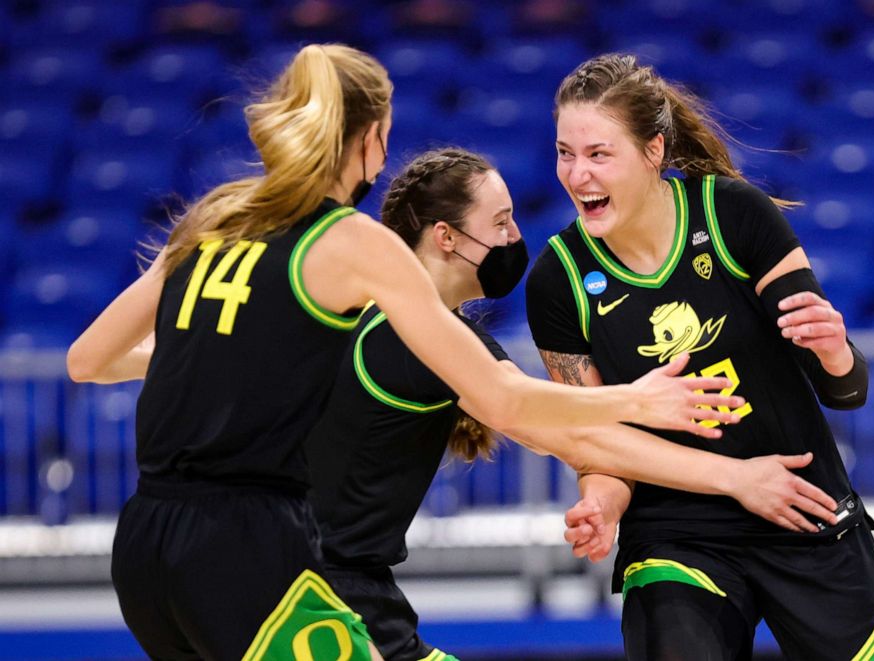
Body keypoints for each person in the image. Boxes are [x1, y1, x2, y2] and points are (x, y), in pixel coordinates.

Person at [65, 44, 747, 661]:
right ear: (373, 140)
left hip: (146, 545)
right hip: (250, 548)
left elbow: (88, 360)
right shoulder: (352, 246)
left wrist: (222, 360)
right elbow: (507, 401)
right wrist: (637, 397)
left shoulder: (217, 214)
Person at [306, 147, 841, 661]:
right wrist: (728, 472)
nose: (516, 238)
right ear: (446, 237)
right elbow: (559, 428)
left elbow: (571, 435)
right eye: (501, 223)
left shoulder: (403, 321)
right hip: (322, 582)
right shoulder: (415, 330)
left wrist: (605, 496)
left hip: (338, 577)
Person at [526, 54, 874, 660]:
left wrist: (835, 351)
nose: (577, 175)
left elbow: (845, 389)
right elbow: (599, 444)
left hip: (799, 502)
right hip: (677, 533)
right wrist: (600, 503)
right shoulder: (559, 279)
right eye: (564, 153)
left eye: (599, 154)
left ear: (654, 150)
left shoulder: (734, 215)